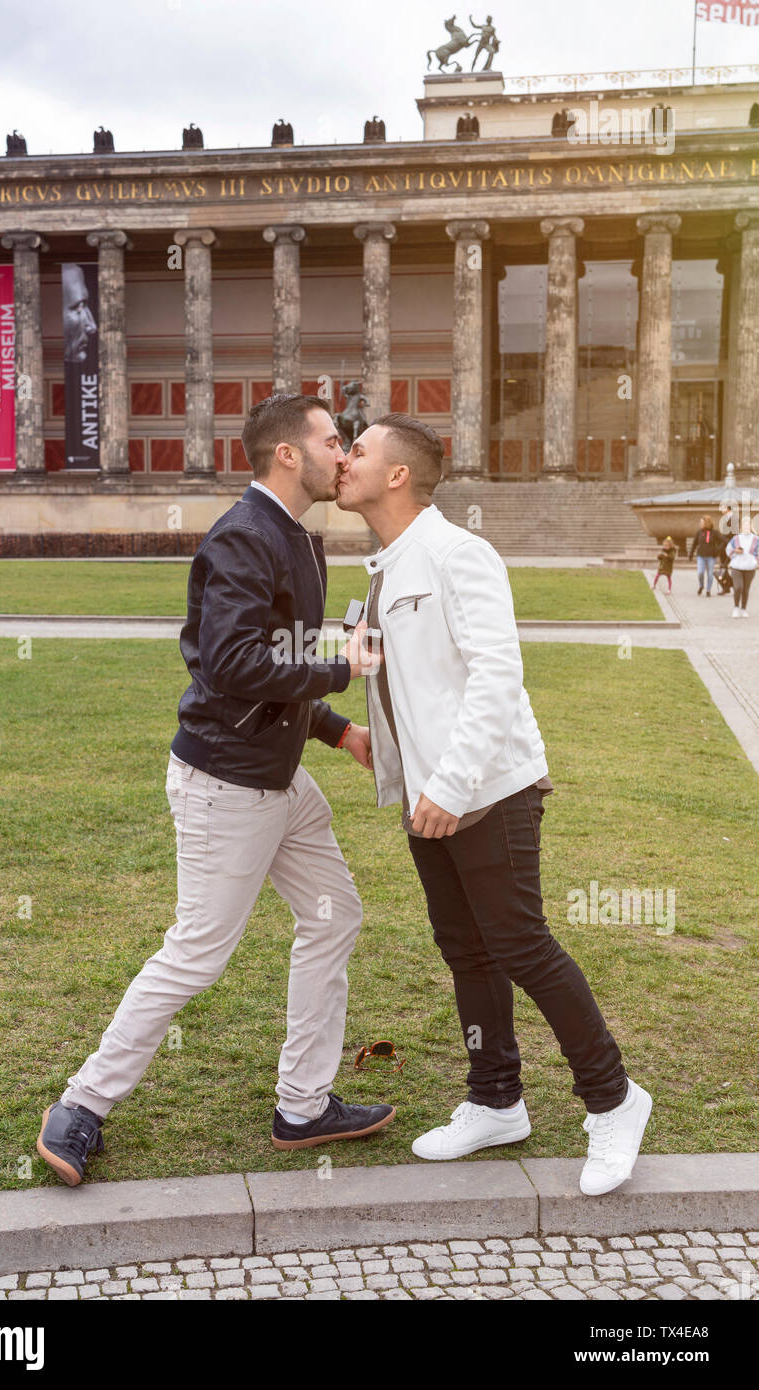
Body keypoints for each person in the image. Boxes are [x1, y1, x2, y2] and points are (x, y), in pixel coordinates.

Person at [37, 394, 395, 1185]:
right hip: (225, 784)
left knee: (334, 914)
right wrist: (346, 667)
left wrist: (339, 732)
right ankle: (80, 1106)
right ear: (288, 456)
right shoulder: (245, 536)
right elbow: (232, 665)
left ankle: (303, 1105)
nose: (344, 454)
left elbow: (276, 666)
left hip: (276, 778)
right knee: (197, 952)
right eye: (333, 441)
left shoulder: (297, 535)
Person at [335, 413, 652, 1196]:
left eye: (361, 452)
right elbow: (415, 679)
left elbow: (495, 675)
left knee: (521, 946)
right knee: (465, 952)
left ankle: (614, 1100)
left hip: (488, 791)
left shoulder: (457, 552)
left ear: (399, 474)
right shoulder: (387, 564)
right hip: (427, 799)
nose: (344, 461)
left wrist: (450, 782)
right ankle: (495, 1097)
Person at [726, 518, 759, 618]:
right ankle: (736, 607)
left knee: (746, 589)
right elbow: (728, 549)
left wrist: (756, 561)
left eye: (748, 524)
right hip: (737, 566)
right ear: (741, 527)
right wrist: (735, 551)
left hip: (750, 567)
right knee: (738, 587)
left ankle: (743, 609)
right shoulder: (736, 538)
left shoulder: (756, 539)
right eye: (744, 525)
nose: (746, 527)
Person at [688, 515, 720, 597]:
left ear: (706, 523)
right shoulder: (699, 532)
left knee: (710, 574)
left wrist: (717, 551)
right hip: (701, 556)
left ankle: (708, 590)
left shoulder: (714, 533)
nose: (700, 524)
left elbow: (723, 541)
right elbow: (694, 543)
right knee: (700, 572)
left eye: (702, 522)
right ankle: (701, 586)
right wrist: (691, 554)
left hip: (711, 557)